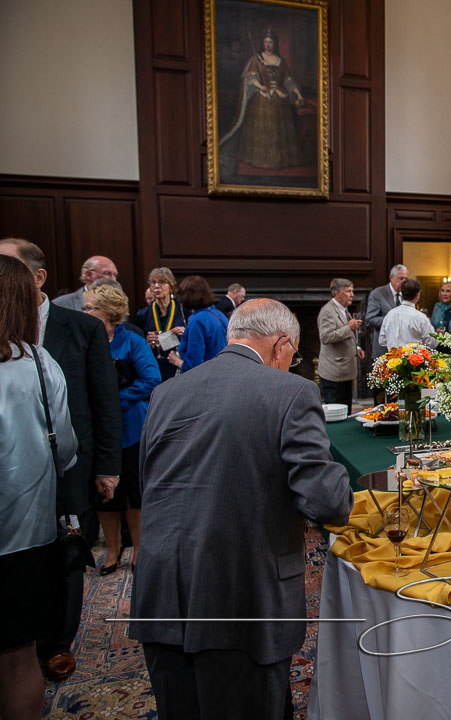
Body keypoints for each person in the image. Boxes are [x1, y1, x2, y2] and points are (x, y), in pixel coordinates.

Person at [131, 298, 353, 719]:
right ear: (281, 345)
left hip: (161, 590)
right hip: (243, 594)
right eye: (293, 356)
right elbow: (328, 502)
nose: (291, 364)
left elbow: (151, 483)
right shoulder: (292, 392)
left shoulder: (166, 392)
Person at [0, 238, 121, 683]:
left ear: (36, 278)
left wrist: (107, 465)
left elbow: (104, 401)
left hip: (68, 467)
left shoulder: (80, 327)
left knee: (68, 553)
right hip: (21, 483)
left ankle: (57, 644)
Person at [0, 254, 79, 719]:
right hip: (26, 532)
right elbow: (64, 449)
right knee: (18, 657)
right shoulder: (38, 363)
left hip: (23, 530)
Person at [82, 283, 161, 575]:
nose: (84, 312)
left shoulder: (132, 341)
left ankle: (139, 549)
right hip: (95, 428)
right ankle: (112, 551)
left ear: (109, 313)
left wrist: (114, 400)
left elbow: (151, 380)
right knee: (103, 493)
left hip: (130, 428)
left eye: (90, 308)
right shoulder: (84, 340)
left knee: (132, 492)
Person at [220, 27, 305, 171]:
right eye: (265, 42)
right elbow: (251, 77)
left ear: (274, 43)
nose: (268, 45)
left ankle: (279, 160)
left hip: (280, 99)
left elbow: (288, 80)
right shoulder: (256, 59)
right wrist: (260, 86)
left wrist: (299, 94)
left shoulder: (281, 61)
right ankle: (261, 159)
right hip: (262, 97)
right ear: (262, 43)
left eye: (270, 42)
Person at [318, 278, 364, 412]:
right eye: (348, 291)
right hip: (334, 373)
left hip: (345, 372)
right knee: (336, 412)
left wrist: (356, 348)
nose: (352, 295)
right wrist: (349, 327)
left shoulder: (344, 310)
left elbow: (345, 335)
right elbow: (325, 337)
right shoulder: (328, 311)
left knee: (346, 411)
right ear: (337, 293)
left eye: (352, 291)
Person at [167, 276, 228, 373]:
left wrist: (177, 361)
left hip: (206, 376)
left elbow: (194, 365)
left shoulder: (196, 321)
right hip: (223, 371)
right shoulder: (219, 314)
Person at [136, 267, 186, 381]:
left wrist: (185, 332)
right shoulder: (143, 314)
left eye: (162, 282)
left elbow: (193, 335)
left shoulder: (183, 310)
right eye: (153, 282)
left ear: (171, 286)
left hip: (177, 364)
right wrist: (147, 343)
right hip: (154, 365)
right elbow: (138, 344)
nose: (157, 286)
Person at [379, 278, 438, 349]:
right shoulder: (420, 317)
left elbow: (382, 341)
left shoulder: (390, 314)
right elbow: (433, 343)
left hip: (393, 355)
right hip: (414, 355)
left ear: (401, 293)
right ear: (418, 295)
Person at [366, 263, 409, 359]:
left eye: (406, 279)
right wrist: (391, 320)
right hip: (384, 349)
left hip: (404, 349)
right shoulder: (378, 294)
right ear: (391, 277)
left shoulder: (407, 294)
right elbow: (370, 319)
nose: (404, 282)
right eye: (401, 278)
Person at [52, 255, 120, 310]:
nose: (113, 279)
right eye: (106, 273)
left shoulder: (120, 302)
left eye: (115, 275)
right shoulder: (61, 303)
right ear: (88, 275)